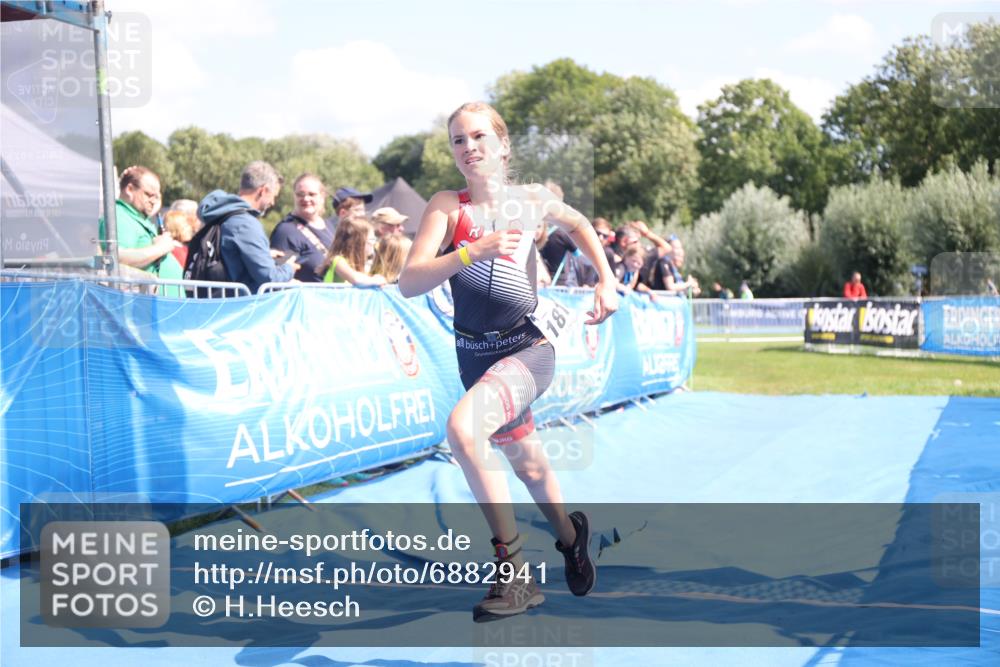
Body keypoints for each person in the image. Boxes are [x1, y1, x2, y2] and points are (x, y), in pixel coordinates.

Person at [398, 101, 618, 621]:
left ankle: (514, 573)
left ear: (502, 145)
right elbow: (409, 281)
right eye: (457, 140)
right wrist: (475, 251)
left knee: (463, 429)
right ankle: (571, 537)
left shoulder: (533, 200)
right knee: (531, 465)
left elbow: (582, 224)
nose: (468, 147)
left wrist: (606, 279)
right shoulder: (447, 208)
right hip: (474, 357)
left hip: (527, 349)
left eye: (478, 137)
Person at [197, 161, 298, 294]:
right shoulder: (245, 224)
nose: (272, 203)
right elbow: (270, 278)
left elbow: (229, 255)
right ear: (263, 190)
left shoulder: (219, 214)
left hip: (212, 302)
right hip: (239, 308)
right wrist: (289, 268)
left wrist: (264, 254)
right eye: (273, 196)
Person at [107, 166, 183, 288]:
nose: (153, 201)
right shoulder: (119, 215)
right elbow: (115, 258)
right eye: (148, 194)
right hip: (148, 302)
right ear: (130, 189)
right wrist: (161, 248)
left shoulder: (135, 215)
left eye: (156, 196)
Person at [270, 173, 336, 282]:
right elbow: (278, 275)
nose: (306, 198)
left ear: (322, 196)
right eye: (300, 194)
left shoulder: (329, 226)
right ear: (294, 196)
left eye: (312, 194)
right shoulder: (287, 232)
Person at [320, 216, 387, 286]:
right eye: (371, 239)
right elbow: (356, 279)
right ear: (357, 243)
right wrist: (374, 280)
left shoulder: (363, 263)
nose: (374, 243)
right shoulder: (338, 261)